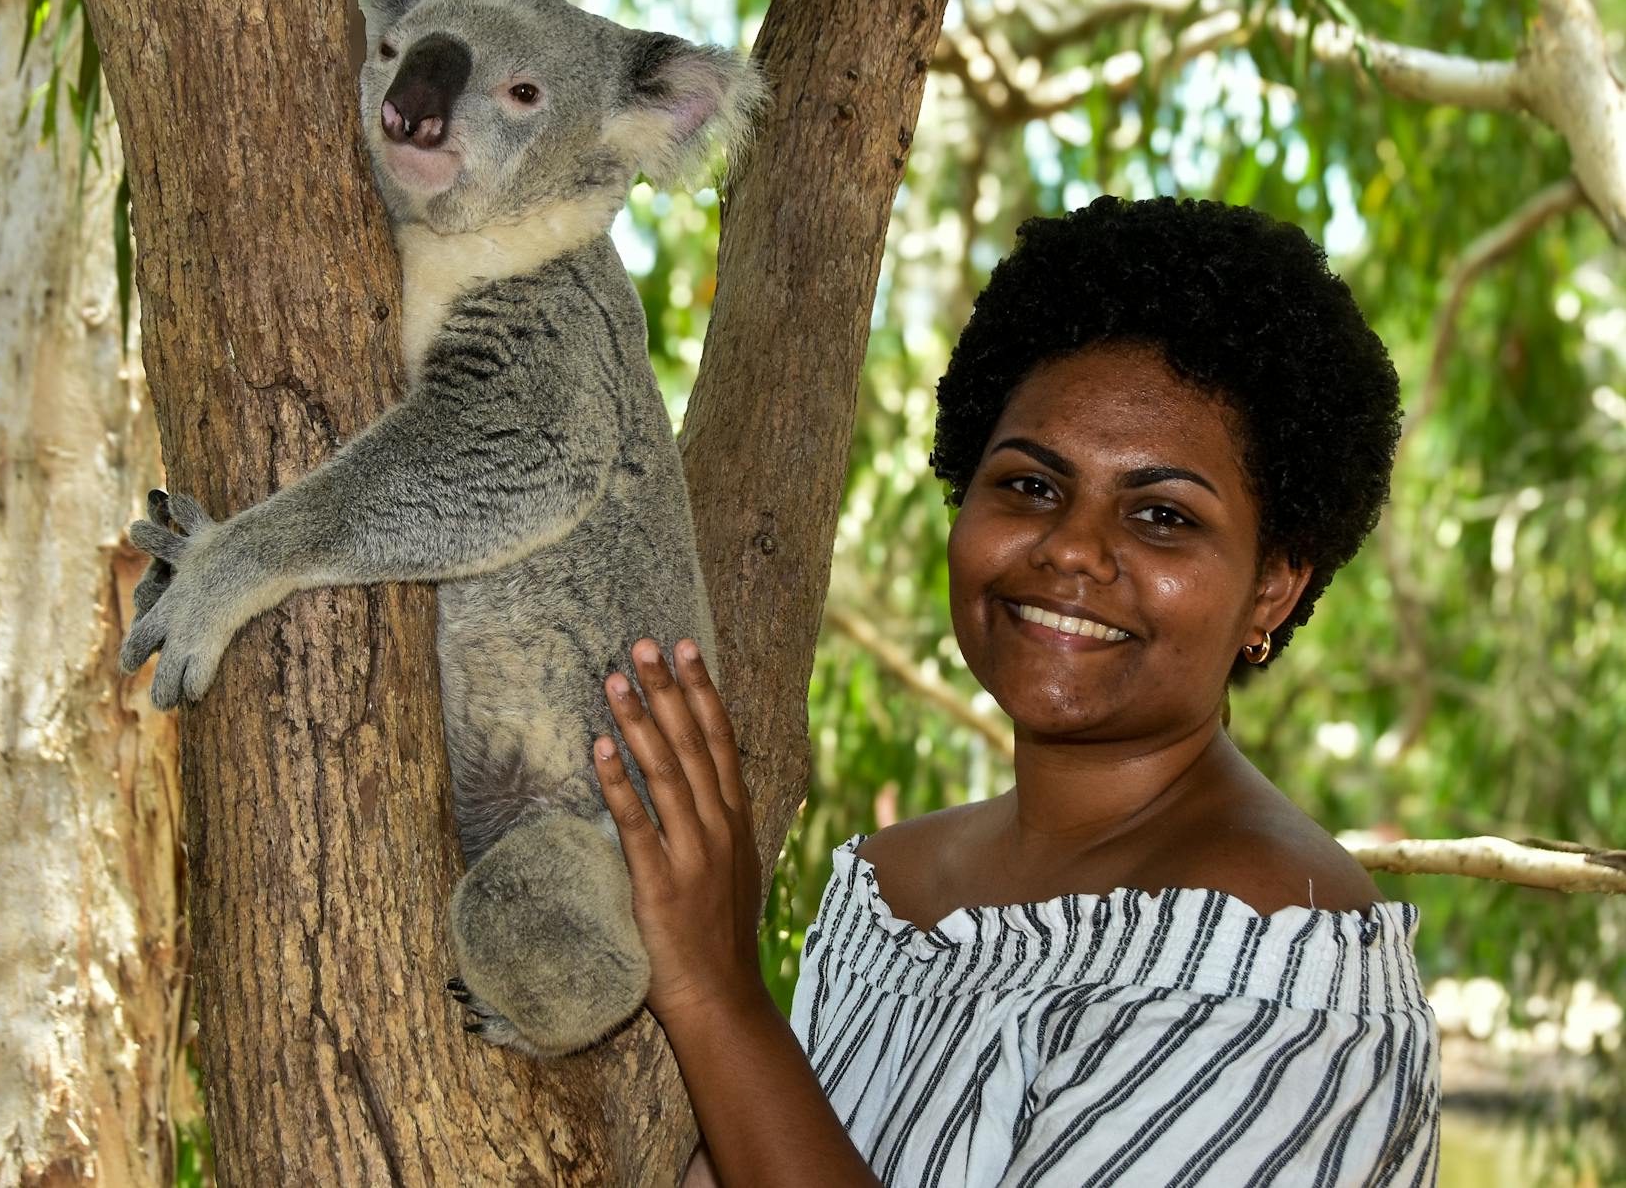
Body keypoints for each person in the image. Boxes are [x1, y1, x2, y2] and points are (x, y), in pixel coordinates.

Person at [591, 197, 1442, 1186]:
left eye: (1162, 516)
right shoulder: (893, 890)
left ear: (1273, 587)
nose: (1072, 548)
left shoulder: (1271, 963)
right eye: (1032, 486)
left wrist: (718, 992)